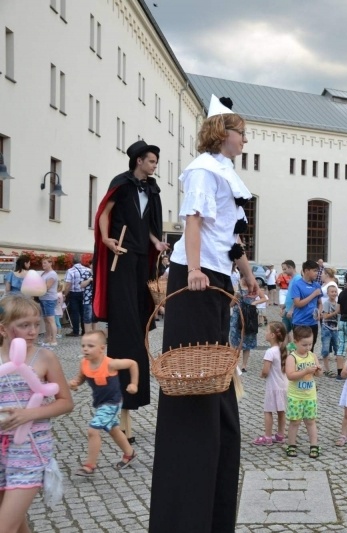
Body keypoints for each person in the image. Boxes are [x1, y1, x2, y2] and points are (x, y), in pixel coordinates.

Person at [149, 95, 259, 533]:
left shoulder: (228, 174)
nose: (245, 139)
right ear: (222, 133)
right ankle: (188, 490)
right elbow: (192, 222)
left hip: (218, 280)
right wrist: (192, 268)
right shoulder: (201, 170)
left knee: (216, 370)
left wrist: (248, 277)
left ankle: (216, 463)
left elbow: (231, 240)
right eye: (241, 132)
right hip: (195, 279)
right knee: (193, 372)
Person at [94, 139, 168, 443]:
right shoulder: (121, 184)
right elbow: (103, 213)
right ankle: (120, 407)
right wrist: (106, 240)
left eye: (155, 162)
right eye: (151, 161)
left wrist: (156, 243)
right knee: (124, 322)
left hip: (140, 256)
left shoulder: (151, 189)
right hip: (120, 255)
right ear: (139, 160)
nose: (154, 166)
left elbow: (149, 224)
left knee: (140, 321)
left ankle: (134, 390)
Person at [0, 294, 73, 533]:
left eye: (36, 323)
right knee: (16, 523)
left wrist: (28, 415)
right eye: (24, 325)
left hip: (30, 451)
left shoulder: (43, 357)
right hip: (2, 449)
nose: (33, 331)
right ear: (3, 328)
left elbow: (65, 402)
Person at [69, 331, 139, 476]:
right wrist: (75, 383)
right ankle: (129, 453)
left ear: (102, 348)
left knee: (93, 430)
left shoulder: (111, 364)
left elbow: (133, 363)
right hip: (100, 403)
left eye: (90, 346)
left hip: (112, 403)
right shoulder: (84, 363)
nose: (85, 349)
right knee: (113, 429)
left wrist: (134, 384)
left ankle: (90, 465)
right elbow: (81, 377)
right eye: (83, 345)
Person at [284, 326, 322, 458]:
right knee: (295, 421)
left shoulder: (312, 356)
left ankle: (314, 445)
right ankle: (291, 444)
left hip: (310, 395)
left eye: (310, 344)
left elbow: (319, 375)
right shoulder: (292, 358)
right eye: (304, 344)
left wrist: (318, 370)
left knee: (311, 421)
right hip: (295, 396)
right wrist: (305, 371)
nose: (308, 347)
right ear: (295, 342)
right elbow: (290, 375)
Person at [252, 322, 288, 446]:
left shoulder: (270, 352)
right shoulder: (283, 350)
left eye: (267, 331)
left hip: (273, 387)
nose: (264, 333)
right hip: (283, 386)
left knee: (268, 411)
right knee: (281, 411)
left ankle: (267, 436)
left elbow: (266, 370)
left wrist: (262, 375)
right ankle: (280, 434)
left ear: (272, 335)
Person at [230, 277, 268, 372]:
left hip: (250, 316)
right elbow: (230, 305)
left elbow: (264, 298)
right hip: (238, 315)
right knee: (235, 339)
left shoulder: (254, 287)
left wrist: (255, 302)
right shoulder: (237, 286)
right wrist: (236, 297)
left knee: (248, 339)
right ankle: (235, 363)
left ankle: (244, 365)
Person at [288, 260, 323, 350]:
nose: (317, 273)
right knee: (299, 349)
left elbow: (320, 303)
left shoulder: (317, 285)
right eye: (315, 271)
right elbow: (298, 304)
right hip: (300, 322)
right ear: (307, 271)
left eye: (317, 271)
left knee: (310, 349)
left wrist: (319, 312)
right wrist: (313, 294)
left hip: (313, 323)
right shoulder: (297, 284)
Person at [64, 259, 92, 337]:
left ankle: (75, 331)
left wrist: (65, 294)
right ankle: (84, 330)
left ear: (72, 262)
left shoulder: (70, 271)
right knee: (84, 312)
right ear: (81, 261)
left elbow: (68, 284)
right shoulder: (88, 269)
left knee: (74, 313)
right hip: (85, 293)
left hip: (74, 294)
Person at [320, 284, 340, 377]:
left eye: (335, 291)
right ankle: (326, 369)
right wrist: (336, 312)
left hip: (335, 329)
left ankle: (339, 368)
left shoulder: (337, 304)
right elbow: (325, 316)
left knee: (338, 349)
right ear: (327, 293)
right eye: (332, 292)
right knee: (325, 349)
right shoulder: (327, 303)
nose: (334, 293)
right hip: (326, 328)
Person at [38, 258, 59, 348]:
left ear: (51, 263)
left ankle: (54, 339)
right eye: (42, 263)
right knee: (46, 320)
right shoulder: (44, 273)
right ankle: (47, 338)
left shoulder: (52, 274)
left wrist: (36, 289)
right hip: (43, 298)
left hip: (49, 299)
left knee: (51, 320)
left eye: (45, 263)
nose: (43, 265)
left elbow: (46, 287)